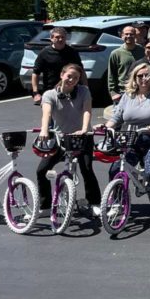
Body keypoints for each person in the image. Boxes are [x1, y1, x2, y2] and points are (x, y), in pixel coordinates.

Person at [104, 62, 150, 218]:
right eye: (140, 76)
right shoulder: (128, 95)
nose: (144, 79)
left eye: (147, 75)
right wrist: (107, 126)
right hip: (131, 140)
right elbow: (117, 115)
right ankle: (116, 202)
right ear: (134, 78)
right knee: (115, 169)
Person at [35, 64, 98, 215]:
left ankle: (94, 202)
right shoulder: (50, 94)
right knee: (41, 170)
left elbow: (87, 111)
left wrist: (84, 129)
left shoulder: (84, 91)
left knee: (87, 169)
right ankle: (45, 206)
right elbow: (47, 113)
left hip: (82, 138)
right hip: (61, 138)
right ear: (62, 75)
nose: (72, 80)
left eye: (76, 78)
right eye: (69, 76)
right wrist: (44, 130)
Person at [31, 27, 83, 104]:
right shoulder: (45, 53)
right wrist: (35, 93)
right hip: (50, 90)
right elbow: (36, 73)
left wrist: (86, 88)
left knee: (70, 115)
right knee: (49, 114)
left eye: (63, 37)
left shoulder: (72, 52)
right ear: (51, 38)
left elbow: (81, 71)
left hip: (71, 90)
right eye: (57, 37)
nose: (60, 39)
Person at [107, 26, 145, 104]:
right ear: (122, 36)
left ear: (136, 36)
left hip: (141, 90)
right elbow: (111, 75)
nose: (129, 36)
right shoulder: (116, 53)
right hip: (123, 92)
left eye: (131, 34)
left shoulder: (142, 51)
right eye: (126, 34)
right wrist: (113, 93)